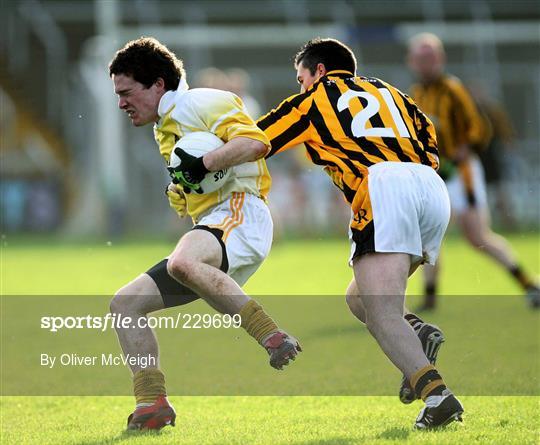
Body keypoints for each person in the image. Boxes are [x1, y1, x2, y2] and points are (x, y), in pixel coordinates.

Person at [173, 37, 463, 429]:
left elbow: (256, 141)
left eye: (301, 77)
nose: (300, 86)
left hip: (383, 188)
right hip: (431, 187)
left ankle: (438, 398)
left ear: (319, 71)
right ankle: (418, 335)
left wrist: (202, 164)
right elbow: (430, 143)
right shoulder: (393, 92)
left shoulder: (314, 99)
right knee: (359, 298)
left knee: (381, 313)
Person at [108, 37, 301, 431]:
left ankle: (272, 335)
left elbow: (256, 141)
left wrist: (205, 163)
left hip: (240, 212)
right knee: (125, 305)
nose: (121, 103)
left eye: (126, 92)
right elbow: (196, 178)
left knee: (182, 261)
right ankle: (152, 403)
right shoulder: (165, 127)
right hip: (213, 222)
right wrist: (180, 189)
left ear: (158, 84)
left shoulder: (202, 101)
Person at [407, 33, 539, 310]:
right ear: (412, 62)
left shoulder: (453, 90)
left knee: (477, 236)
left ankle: (529, 284)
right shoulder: (416, 94)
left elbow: (480, 128)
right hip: (436, 176)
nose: (425, 63)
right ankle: (430, 297)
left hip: (462, 174)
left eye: (429, 57)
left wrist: (463, 150)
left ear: (440, 59)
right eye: (420, 58)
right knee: (428, 233)